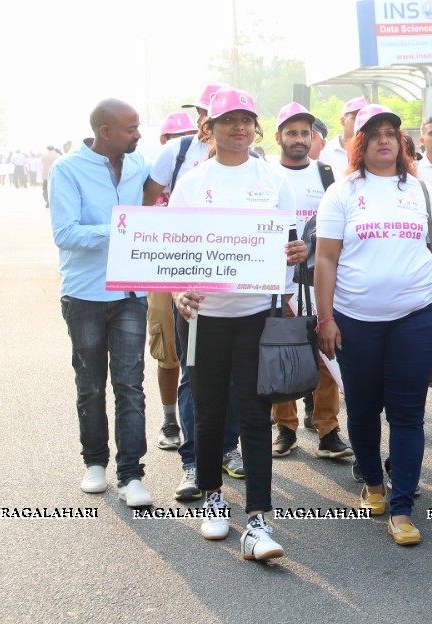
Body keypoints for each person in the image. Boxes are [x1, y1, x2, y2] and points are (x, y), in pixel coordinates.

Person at [315, 104, 432, 546]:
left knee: (407, 414)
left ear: (401, 143)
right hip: (354, 320)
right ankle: (374, 486)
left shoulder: (420, 190)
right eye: (375, 134)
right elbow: (326, 257)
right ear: (359, 143)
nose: (384, 140)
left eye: (391, 133)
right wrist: (325, 317)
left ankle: (402, 506)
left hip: (416, 317)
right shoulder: (342, 192)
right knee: (362, 409)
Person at [171, 89, 306, 561]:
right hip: (205, 317)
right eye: (228, 120)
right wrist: (178, 290)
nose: (239, 128)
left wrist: (297, 257)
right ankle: (212, 499)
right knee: (209, 413)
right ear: (209, 128)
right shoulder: (192, 183)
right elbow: (173, 249)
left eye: (247, 119)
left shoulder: (272, 181)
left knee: (253, 413)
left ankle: (259, 520)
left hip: (255, 315)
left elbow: (290, 244)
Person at [48, 99, 152, 507]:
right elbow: (65, 233)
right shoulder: (67, 169)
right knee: (90, 385)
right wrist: (121, 228)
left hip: (131, 292)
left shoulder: (140, 163)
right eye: (130, 128)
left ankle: (131, 474)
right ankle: (94, 463)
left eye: (138, 127)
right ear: (104, 131)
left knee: (130, 385)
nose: (138, 134)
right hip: (85, 293)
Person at [144, 83, 245, 502]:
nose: (213, 119)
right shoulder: (178, 154)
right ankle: (192, 460)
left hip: (237, 289)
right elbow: (150, 206)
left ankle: (228, 448)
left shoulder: (252, 165)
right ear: (205, 121)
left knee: (237, 379)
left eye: (233, 116)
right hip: (188, 284)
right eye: (210, 113)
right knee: (192, 375)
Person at [268, 102, 352, 461]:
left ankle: (328, 430)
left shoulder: (330, 175)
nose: (299, 139)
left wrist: (312, 248)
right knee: (282, 354)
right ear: (279, 138)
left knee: (325, 353)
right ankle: (285, 428)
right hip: (280, 283)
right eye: (292, 133)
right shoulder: (268, 175)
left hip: (320, 280)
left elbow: (342, 226)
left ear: (314, 137)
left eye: (305, 133)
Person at [144, 111, 198, 453]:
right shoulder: (163, 166)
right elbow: (143, 210)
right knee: (169, 350)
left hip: (211, 265)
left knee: (203, 356)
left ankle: (213, 432)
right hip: (165, 267)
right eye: (176, 136)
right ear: (165, 142)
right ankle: (169, 419)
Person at [318, 97, 366, 174]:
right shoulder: (325, 151)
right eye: (355, 118)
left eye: (364, 119)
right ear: (343, 121)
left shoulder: (372, 152)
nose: (360, 123)